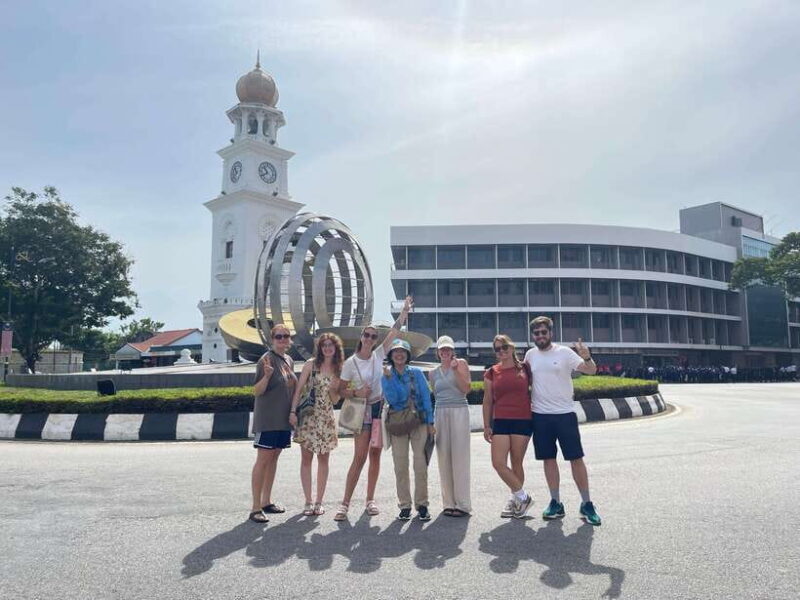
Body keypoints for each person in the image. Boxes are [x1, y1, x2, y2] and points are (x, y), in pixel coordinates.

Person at [333, 296, 414, 521]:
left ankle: (370, 500)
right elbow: (339, 390)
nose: (369, 338)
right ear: (361, 337)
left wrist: (404, 312)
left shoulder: (379, 355)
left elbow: (394, 332)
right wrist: (356, 393)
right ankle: (345, 504)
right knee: (359, 457)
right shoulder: (351, 363)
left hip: (380, 409)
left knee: (375, 454)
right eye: (366, 335)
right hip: (362, 411)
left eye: (373, 336)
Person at [524, 316, 601, 526]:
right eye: (536, 333)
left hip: (565, 414)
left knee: (576, 459)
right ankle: (555, 502)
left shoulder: (565, 353)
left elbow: (591, 370)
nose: (540, 336)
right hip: (540, 415)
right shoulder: (530, 356)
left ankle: (587, 504)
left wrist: (587, 358)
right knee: (548, 459)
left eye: (543, 332)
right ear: (533, 335)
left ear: (551, 333)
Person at [289, 332, 344, 517]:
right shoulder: (310, 365)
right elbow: (298, 390)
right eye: (324, 345)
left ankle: (319, 502)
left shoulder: (338, 369)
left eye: (331, 345)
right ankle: (308, 501)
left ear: (336, 348)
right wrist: (292, 411)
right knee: (306, 459)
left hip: (326, 419)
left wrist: (335, 388)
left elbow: (336, 400)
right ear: (320, 348)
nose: (327, 348)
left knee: (323, 460)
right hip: (309, 417)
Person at [382, 338, 435, 521]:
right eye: (395, 352)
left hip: (418, 421)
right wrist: (390, 379)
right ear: (391, 355)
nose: (399, 354)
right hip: (398, 423)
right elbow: (394, 399)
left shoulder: (417, 373)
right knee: (400, 466)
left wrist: (430, 422)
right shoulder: (386, 375)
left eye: (402, 352)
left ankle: (422, 504)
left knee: (421, 465)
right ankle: (404, 505)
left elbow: (427, 398)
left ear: (407, 355)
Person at [249, 324, 297, 523]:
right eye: (279, 336)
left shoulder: (288, 360)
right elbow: (256, 391)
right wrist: (267, 376)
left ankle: (266, 501)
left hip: (282, 419)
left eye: (286, 336)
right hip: (268, 419)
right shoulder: (265, 360)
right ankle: (255, 507)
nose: (283, 339)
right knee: (263, 459)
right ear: (272, 338)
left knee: (274, 458)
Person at [482, 334, 534, 519]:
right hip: (501, 420)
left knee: (516, 462)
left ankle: (516, 501)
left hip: (523, 419)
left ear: (512, 348)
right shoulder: (492, 372)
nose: (501, 351)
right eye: (497, 349)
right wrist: (486, 425)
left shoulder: (526, 369)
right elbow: (487, 400)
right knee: (498, 463)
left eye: (504, 347)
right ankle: (523, 496)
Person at [428, 335, 472, 517]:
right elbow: (435, 396)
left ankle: (462, 504)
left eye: (448, 349)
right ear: (438, 352)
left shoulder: (461, 364)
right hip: (441, 413)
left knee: (460, 457)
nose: (445, 352)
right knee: (443, 456)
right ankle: (448, 502)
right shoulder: (432, 373)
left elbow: (466, 389)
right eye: (442, 349)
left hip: (459, 411)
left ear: (453, 351)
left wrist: (456, 371)